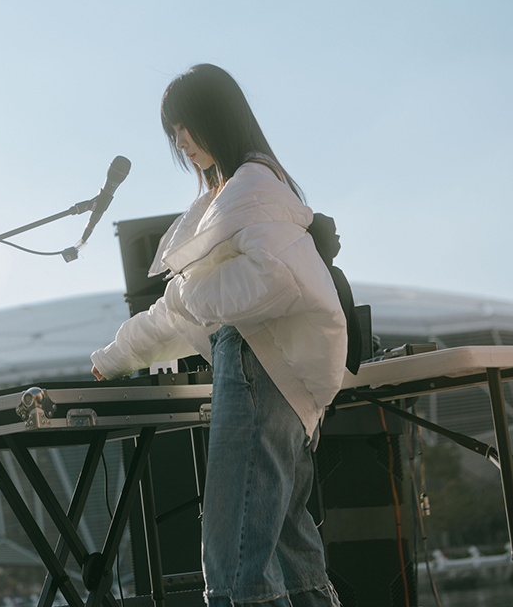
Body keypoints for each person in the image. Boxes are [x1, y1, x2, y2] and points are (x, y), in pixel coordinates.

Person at [90, 64, 347, 607]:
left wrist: (195, 301)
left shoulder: (250, 189)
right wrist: (115, 355)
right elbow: (181, 309)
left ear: (219, 119)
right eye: (174, 131)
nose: (181, 141)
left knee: (234, 561)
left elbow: (272, 278)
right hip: (276, 372)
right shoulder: (241, 191)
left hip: (259, 364)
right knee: (285, 550)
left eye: (188, 125)